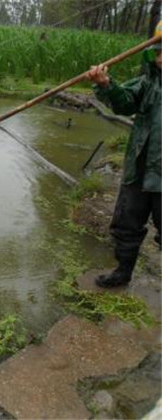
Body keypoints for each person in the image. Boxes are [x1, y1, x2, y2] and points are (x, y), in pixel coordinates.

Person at [86, 22, 161, 288]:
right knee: (126, 224)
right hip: (138, 171)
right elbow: (123, 101)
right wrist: (106, 84)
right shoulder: (146, 84)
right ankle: (122, 272)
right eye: (160, 53)